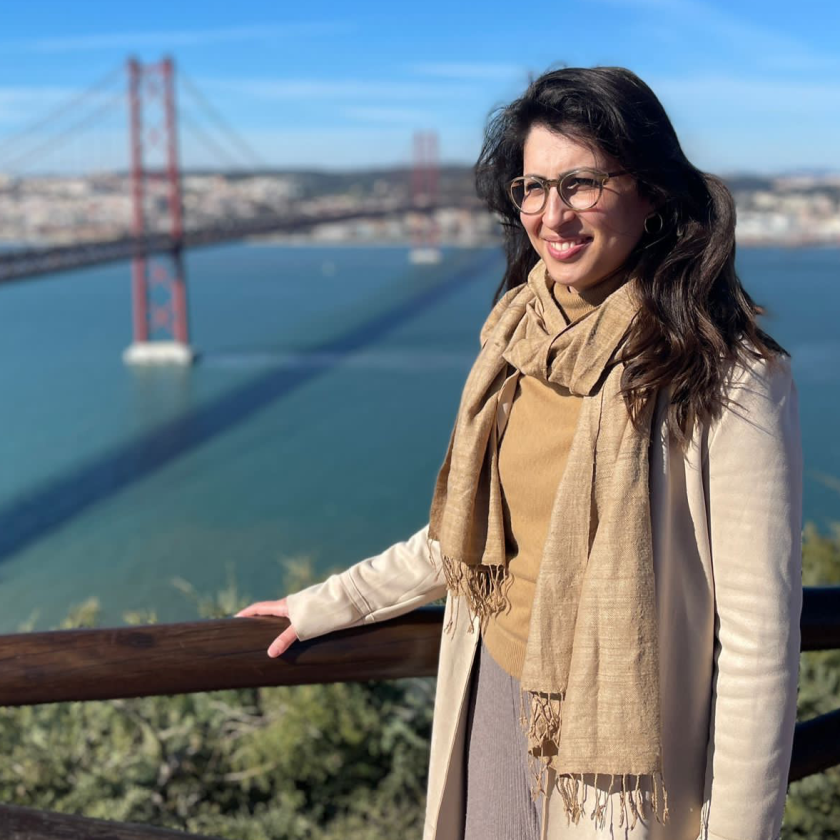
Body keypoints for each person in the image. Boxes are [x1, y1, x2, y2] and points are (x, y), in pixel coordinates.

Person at [235, 66, 803, 840]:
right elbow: (466, 538)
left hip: (626, 750)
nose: (552, 214)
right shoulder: (518, 338)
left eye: (582, 183)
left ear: (653, 192)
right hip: (495, 692)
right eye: (532, 187)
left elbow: (759, 649)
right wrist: (325, 604)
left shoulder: (729, 376)